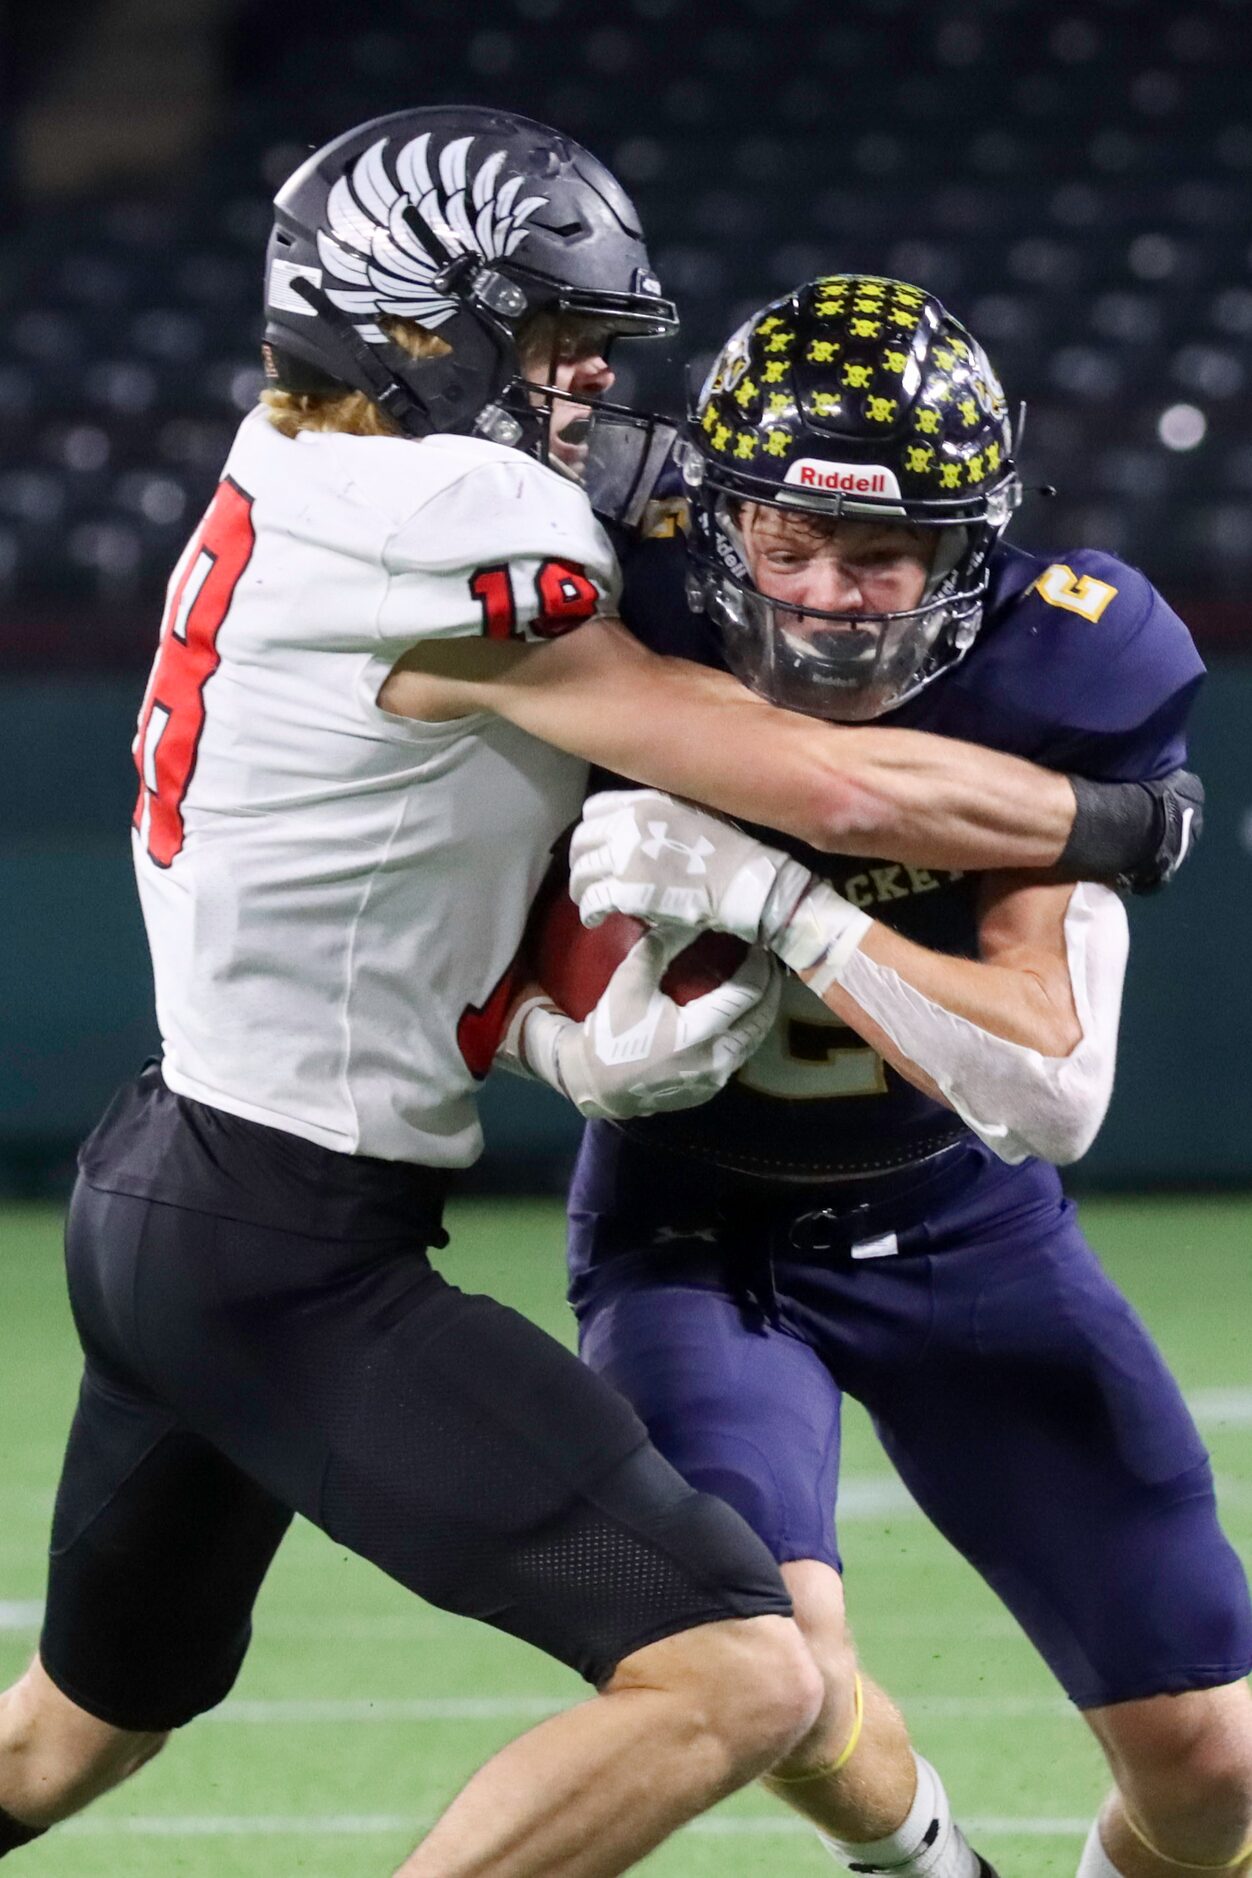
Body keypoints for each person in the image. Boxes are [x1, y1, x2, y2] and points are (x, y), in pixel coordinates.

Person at [0, 110, 1203, 1874]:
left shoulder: (290, 469)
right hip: (288, 1245)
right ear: (425, 328)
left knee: (61, 1733)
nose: (579, 390)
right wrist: (1110, 822)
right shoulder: (452, 506)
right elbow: (834, 783)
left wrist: (551, 1024)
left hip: (168, 1182)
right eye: (552, 343)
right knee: (741, 1670)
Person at [561, 276, 1252, 1878]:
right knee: (771, 1662)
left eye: (880, 553)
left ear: (972, 545)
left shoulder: (1070, 662)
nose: (828, 598)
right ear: (713, 522)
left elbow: (1051, 1090)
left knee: (1214, 1765)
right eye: (788, 543)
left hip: (961, 1215)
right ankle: (934, 1868)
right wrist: (553, 1028)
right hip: (697, 1227)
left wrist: (783, 900)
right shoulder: (620, 605)